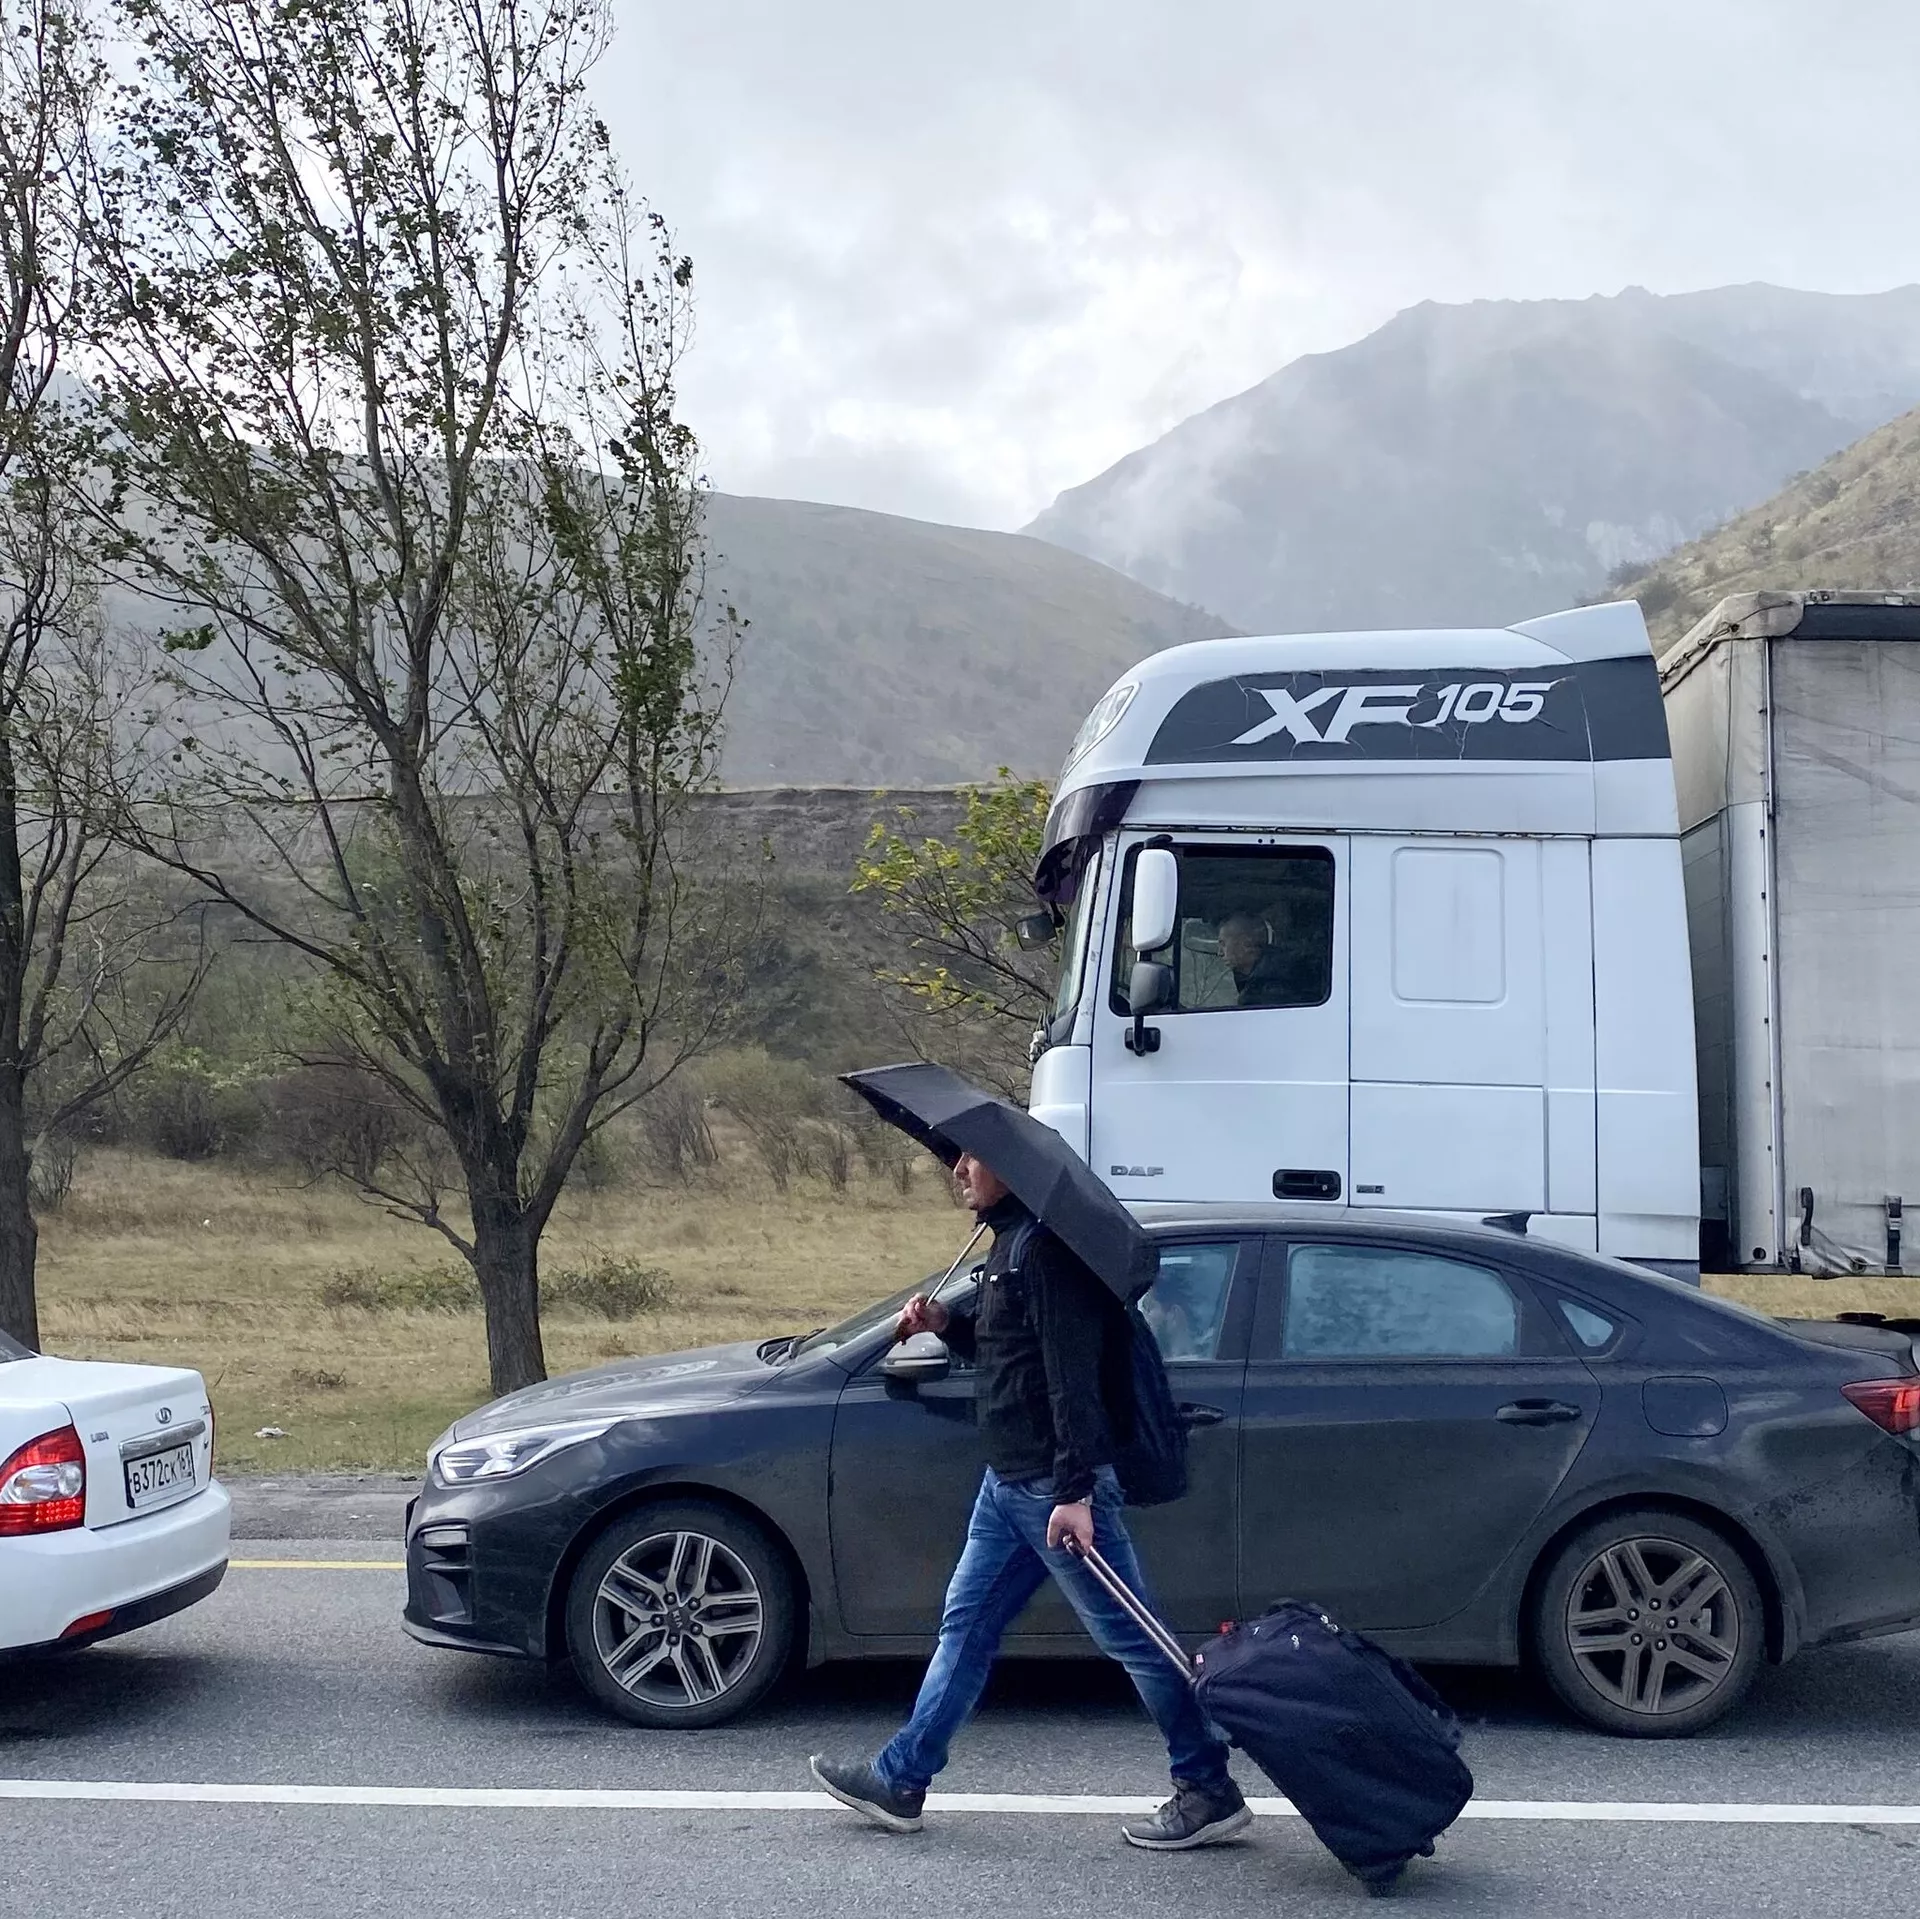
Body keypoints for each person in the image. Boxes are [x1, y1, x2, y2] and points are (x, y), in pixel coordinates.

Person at [809, 1151, 1248, 1850]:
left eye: (972, 1160)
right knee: (966, 1627)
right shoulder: (1010, 1247)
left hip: (1051, 1487)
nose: (959, 1170)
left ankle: (1208, 1787)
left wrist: (1075, 1492)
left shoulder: (1046, 1253)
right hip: (1009, 1484)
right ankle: (901, 1780)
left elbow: (1072, 1381)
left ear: (1011, 1170)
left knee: (1134, 1640)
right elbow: (1011, 1355)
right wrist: (944, 1325)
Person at [1218, 909, 1294, 1006]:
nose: (1219, 953)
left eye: (1223, 944)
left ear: (1246, 944)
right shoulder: (1260, 981)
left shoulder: (1272, 991)